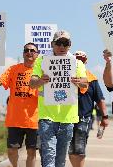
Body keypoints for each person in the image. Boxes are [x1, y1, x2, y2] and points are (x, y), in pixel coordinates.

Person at [30, 30, 88, 167]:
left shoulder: (77, 63)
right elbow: (32, 83)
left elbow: (85, 83)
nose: (62, 46)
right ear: (52, 44)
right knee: (49, 154)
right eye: (58, 43)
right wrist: (40, 81)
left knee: (60, 159)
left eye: (65, 43)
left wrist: (79, 81)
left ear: (70, 45)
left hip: (68, 117)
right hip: (47, 116)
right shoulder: (42, 60)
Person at [0, 43, 39, 167]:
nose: (29, 52)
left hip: (34, 120)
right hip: (15, 119)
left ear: (37, 54)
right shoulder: (13, 69)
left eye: (32, 50)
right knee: (12, 151)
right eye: (26, 50)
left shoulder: (41, 71)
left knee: (31, 152)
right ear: (23, 54)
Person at [68, 50, 109, 167]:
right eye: (77, 59)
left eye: (82, 59)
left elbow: (100, 99)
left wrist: (105, 117)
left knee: (80, 149)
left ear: (86, 62)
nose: (79, 61)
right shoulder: (65, 77)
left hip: (83, 118)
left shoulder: (91, 79)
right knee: (71, 149)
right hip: (66, 118)